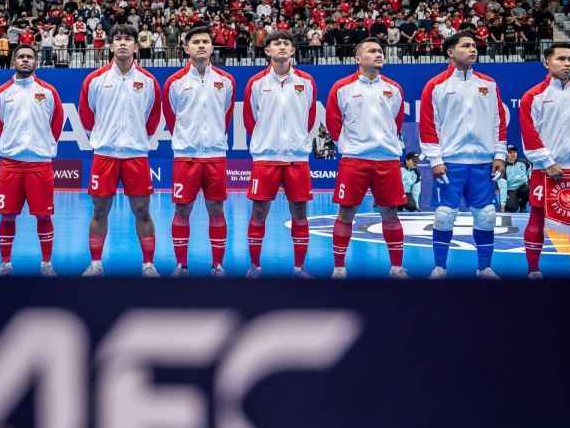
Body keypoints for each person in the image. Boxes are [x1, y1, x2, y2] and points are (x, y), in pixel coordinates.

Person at [418, 32, 508, 278]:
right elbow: (428, 126)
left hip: (483, 163)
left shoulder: (489, 84)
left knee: (486, 216)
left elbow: (498, 122)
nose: (472, 50)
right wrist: (435, 159)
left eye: (474, 46)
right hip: (450, 162)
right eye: (466, 46)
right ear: (450, 52)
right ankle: (439, 267)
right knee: (444, 216)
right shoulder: (435, 85)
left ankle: (485, 268)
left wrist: (499, 155)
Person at [78, 23, 161, 276]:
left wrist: (135, 139)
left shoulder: (148, 81)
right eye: (118, 39)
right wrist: (104, 138)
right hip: (105, 155)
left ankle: (148, 264)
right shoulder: (95, 80)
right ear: (111, 46)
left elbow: (153, 118)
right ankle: (95, 264)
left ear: (136, 46)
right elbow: (86, 116)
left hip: (136, 155)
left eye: (128, 39)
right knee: (100, 210)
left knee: (142, 210)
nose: (122, 42)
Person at [326, 37, 409, 278]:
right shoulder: (342, 87)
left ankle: (396, 268)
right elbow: (333, 124)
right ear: (358, 58)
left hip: (387, 162)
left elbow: (396, 123)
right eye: (372, 51)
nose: (379, 54)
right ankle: (339, 268)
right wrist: (351, 146)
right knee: (346, 214)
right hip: (354, 161)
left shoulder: (394, 89)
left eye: (381, 51)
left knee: (391, 215)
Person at [519, 43, 570, 278]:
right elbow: (529, 133)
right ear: (547, 63)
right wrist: (547, 162)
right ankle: (533, 271)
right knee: (536, 218)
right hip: (545, 170)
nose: (567, 63)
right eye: (561, 59)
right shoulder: (533, 96)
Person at [242, 32, 318, 278]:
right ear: (267, 51)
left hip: (297, 159)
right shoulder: (255, 83)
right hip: (266, 159)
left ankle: (299, 268)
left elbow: (308, 118)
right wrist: (268, 141)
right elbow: (249, 120)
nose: (282, 46)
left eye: (287, 43)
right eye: (277, 43)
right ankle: (255, 267)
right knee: (259, 212)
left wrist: (295, 141)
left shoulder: (306, 81)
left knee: (299, 212)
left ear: (293, 50)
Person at [162, 24, 235, 276]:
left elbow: (226, 116)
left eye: (205, 41)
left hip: (215, 157)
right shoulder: (175, 82)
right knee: (182, 210)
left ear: (212, 47)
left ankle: (218, 265)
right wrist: (187, 140)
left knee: (217, 210)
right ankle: (181, 266)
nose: (201, 45)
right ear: (186, 48)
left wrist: (212, 140)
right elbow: (172, 118)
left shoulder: (226, 81)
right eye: (196, 42)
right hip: (186, 157)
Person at [0, 43, 64, 276]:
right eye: (20, 57)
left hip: (40, 164)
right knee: (7, 214)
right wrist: (15, 146)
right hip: (11, 164)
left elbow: (56, 125)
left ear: (36, 62)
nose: (24, 60)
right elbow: (0, 125)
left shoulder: (49, 92)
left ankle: (46, 264)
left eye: (29, 57)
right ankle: (5, 264)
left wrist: (40, 146)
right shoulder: (2, 92)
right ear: (13, 62)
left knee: (44, 214)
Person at [503, 146, 531, 212]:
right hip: (510, 189)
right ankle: (514, 199)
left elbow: (528, 170)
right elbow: (503, 185)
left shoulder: (523, 162)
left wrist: (522, 178)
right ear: (505, 154)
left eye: (515, 152)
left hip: (522, 186)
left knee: (530, 189)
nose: (513, 154)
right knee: (511, 208)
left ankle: (522, 205)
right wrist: (502, 204)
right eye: (510, 152)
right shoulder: (503, 166)